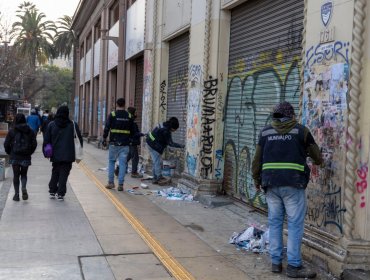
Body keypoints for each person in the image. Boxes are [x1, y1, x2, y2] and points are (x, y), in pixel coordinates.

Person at [252, 101, 323, 279]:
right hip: (293, 184)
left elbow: (256, 160)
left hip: (271, 184)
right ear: (291, 115)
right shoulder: (301, 131)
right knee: (294, 224)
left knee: (275, 222)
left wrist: (256, 179)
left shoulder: (265, 132)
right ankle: (293, 266)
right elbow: (318, 157)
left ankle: (275, 263)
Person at [43, 105, 83, 201]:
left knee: (55, 171)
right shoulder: (72, 125)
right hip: (68, 154)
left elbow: (46, 140)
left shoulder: (52, 124)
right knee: (64, 173)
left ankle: (52, 190)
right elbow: (79, 139)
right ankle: (60, 193)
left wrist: (46, 153)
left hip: (55, 153)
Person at [102, 98, 135, 191]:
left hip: (113, 143)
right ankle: (120, 184)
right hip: (125, 144)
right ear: (124, 104)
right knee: (123, 163)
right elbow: (133, 131)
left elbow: (107, 127)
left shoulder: (112, 115)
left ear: (116, 104)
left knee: (111, 162)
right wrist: (131, 139)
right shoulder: (129, 116)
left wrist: (104, 138)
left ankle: (111, 183)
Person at [4, 113, 37, 201]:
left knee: (16, 175)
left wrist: (9, 152)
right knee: (24, 174)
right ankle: (23, 187)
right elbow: (34, 144)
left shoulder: (12, 130)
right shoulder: (30, 130)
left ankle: (16, 194)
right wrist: (30, 152)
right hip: (25, 156)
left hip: (15, 156)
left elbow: (6, 144)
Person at [146, 117, 184, 185]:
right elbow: (171, 143)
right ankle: (158, 177)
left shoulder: (163, 124)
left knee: (156, 162)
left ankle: (155, 178)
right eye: (175, 129)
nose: (175, 131)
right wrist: (181, 146)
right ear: (172, 127)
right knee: (158, 162)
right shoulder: (166, 131)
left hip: (150, 142)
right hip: (153, 146)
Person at [115, 107, 145, 178]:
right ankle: (134, 173)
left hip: (128, 142)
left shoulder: (127, 121)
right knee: (135, 157)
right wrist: (142, 134)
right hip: (132, 142)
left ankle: (119, 169)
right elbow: (134, 134)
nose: (137, 114)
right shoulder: (132, 123)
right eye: (136, 112)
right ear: (133, 113)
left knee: (127, 157)